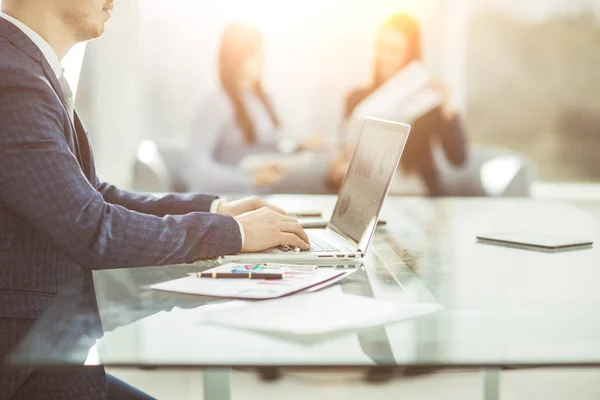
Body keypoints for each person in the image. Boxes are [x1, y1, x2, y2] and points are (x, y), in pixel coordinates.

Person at [0, 1, 309, 398]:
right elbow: (95, 230)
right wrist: (231, 233)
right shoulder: (13, 81)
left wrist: (216, 210)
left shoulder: (28, 71)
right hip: (28, 369)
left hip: (53, 347)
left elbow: (95, 196)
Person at [330, 14, 468, 196]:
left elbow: (458, 159)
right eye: (381, 47)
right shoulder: (356, 99)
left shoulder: (425, 100)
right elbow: (335, 171)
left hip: (419, 197)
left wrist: (448, 108)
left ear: (410, 54)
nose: (384, 56)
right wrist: (340, 172)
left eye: (394, 50)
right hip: (368, 200)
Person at [188, 22, 331, 194]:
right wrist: (247, 179)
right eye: (254, 53)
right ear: (236, 57)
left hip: (263, 196)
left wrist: (299, 146)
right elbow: (197, 168)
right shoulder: (216, 102)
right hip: (229, 199)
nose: (262, 58)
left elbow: (266, 148)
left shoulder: (263, 100)